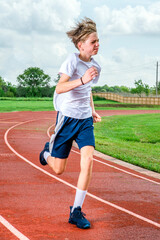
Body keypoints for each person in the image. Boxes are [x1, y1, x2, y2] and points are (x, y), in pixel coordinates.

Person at [39, 17, 101, 229]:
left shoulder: (96, 66)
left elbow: (88, 89)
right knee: (58, 170)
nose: (97, 44)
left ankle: (76, 210)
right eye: (93, 41)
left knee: (88, 160)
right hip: (66, 119)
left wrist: (92, 110)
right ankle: (46, 153)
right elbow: (59, 87)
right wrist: (82, 79)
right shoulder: (72, 61)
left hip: (84, 120)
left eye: (98, 41)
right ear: (80, 45)